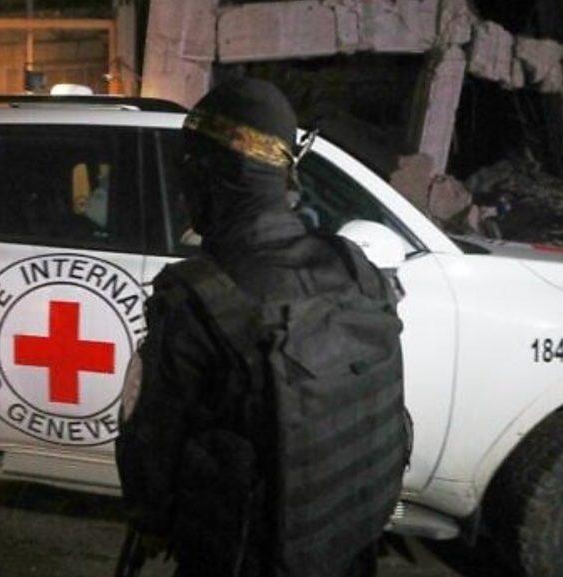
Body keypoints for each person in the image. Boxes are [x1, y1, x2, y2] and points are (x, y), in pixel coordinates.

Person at [115, 79, 407, 577]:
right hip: (346, 546)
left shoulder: (196, 300)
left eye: (188, 168)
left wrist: (151, 519)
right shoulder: (355, 266)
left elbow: (151, 448)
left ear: (212, 176)